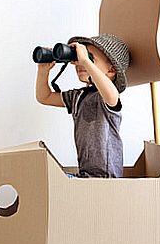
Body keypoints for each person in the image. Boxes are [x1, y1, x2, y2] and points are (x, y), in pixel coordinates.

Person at [35, 33, 130, 178]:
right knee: (44, 179)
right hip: (86, 175)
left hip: (107, 178)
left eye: (91, 58)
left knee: (53, 184)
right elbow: (44, 97)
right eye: (78, 59)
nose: (79, 63)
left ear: (111, 71)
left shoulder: (107, 97)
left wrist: (86, 61)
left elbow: (111, 95)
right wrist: (43, 71)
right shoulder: (78, 96)